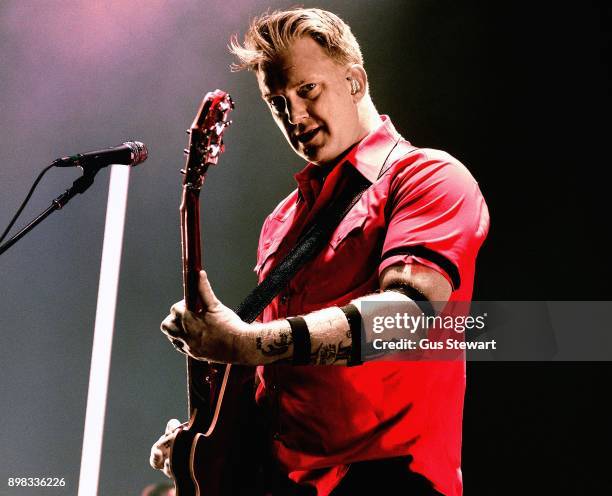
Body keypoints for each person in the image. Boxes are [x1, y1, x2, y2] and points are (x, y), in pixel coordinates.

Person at [150, 8, 489, 496]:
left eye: (307, 91)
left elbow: (408, 317)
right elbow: (277, 386)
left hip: (390, 481)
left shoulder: (430, 178)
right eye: (277, 102)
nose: (295, 117)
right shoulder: (282, 223)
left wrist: (245, 342)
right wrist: (204, 446)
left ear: (355, 81)